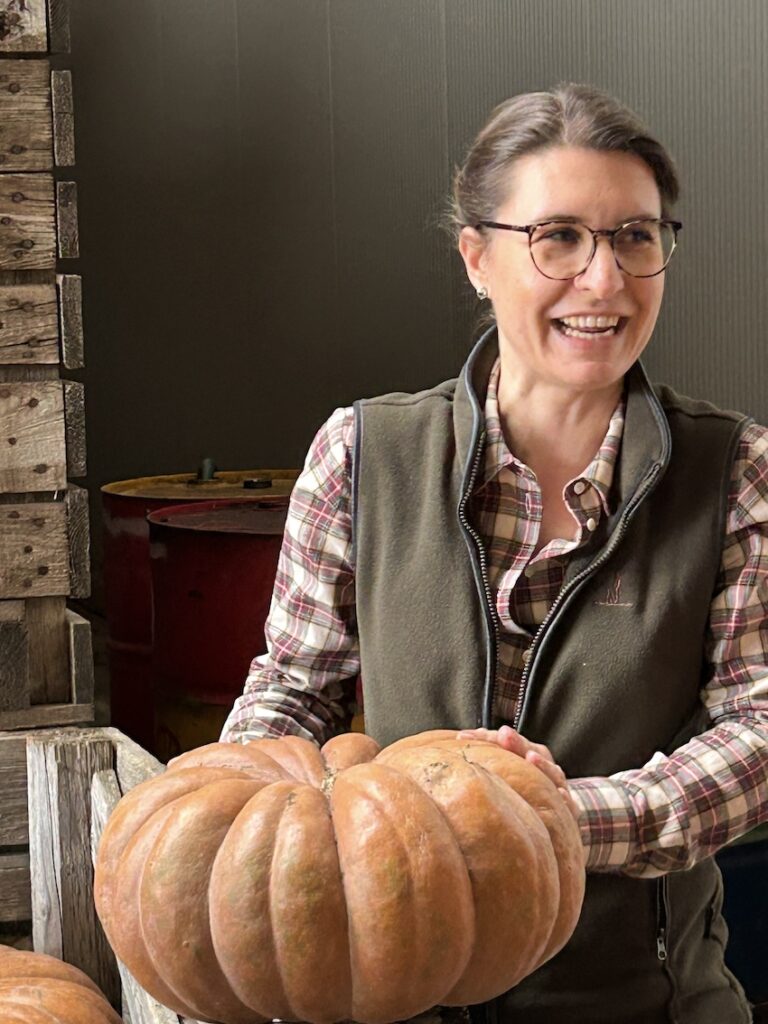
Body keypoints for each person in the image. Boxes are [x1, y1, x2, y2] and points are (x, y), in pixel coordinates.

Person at [221, 84, 768, 1023]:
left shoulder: (737, 472)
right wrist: (259, 821)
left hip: (642, 1001)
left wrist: (550, 819)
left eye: (637, 237)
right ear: (477, 257)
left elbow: (759, 732)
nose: (604, 282)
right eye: (558, 237)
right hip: (395, 994)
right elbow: (294, 690)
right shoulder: (359, 456)